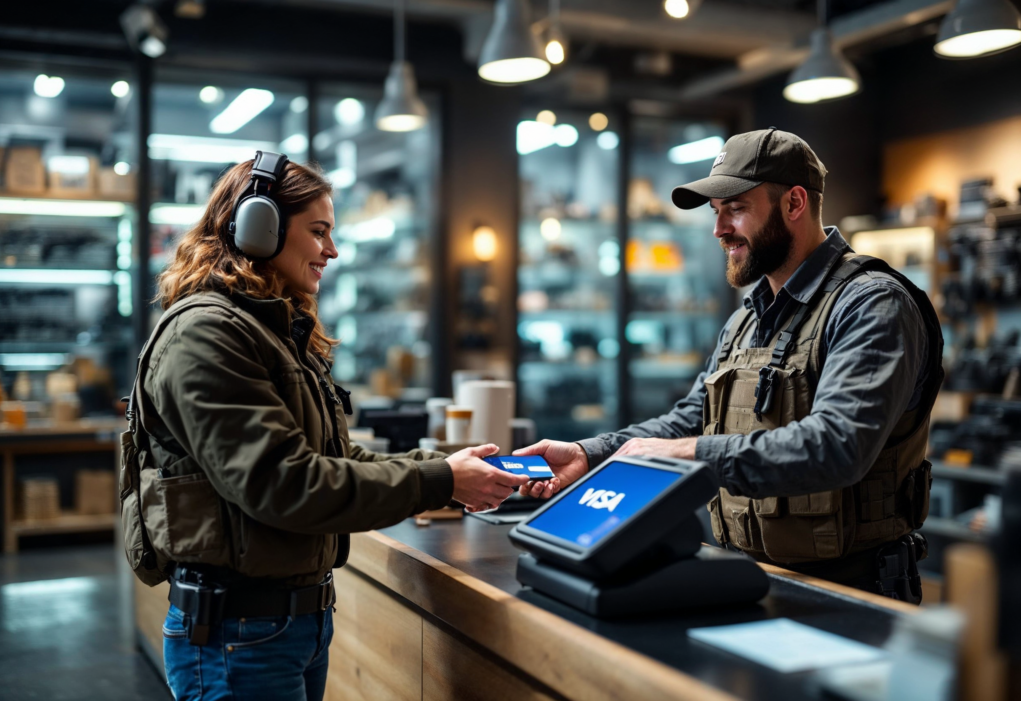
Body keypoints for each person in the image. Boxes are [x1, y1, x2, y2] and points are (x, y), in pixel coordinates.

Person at [131, 153, 528, 701]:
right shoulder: (207, 335)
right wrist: (440, 481)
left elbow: (335, 460)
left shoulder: (267, 329)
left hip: (286, 627)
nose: (332, 251)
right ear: (259, 227)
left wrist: (447, 471)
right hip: (237, 635)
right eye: (318, 232)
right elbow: (285, 484)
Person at [516, 128, 943, 601]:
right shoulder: (746, 317)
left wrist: (685, 455)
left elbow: (837, 445)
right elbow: (691, 419)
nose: (719, 230)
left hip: (852, 592)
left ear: (794, 204)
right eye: (717, 214)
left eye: (736, 210)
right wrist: (592, 453)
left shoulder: (871, 304)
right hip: (751, 579)